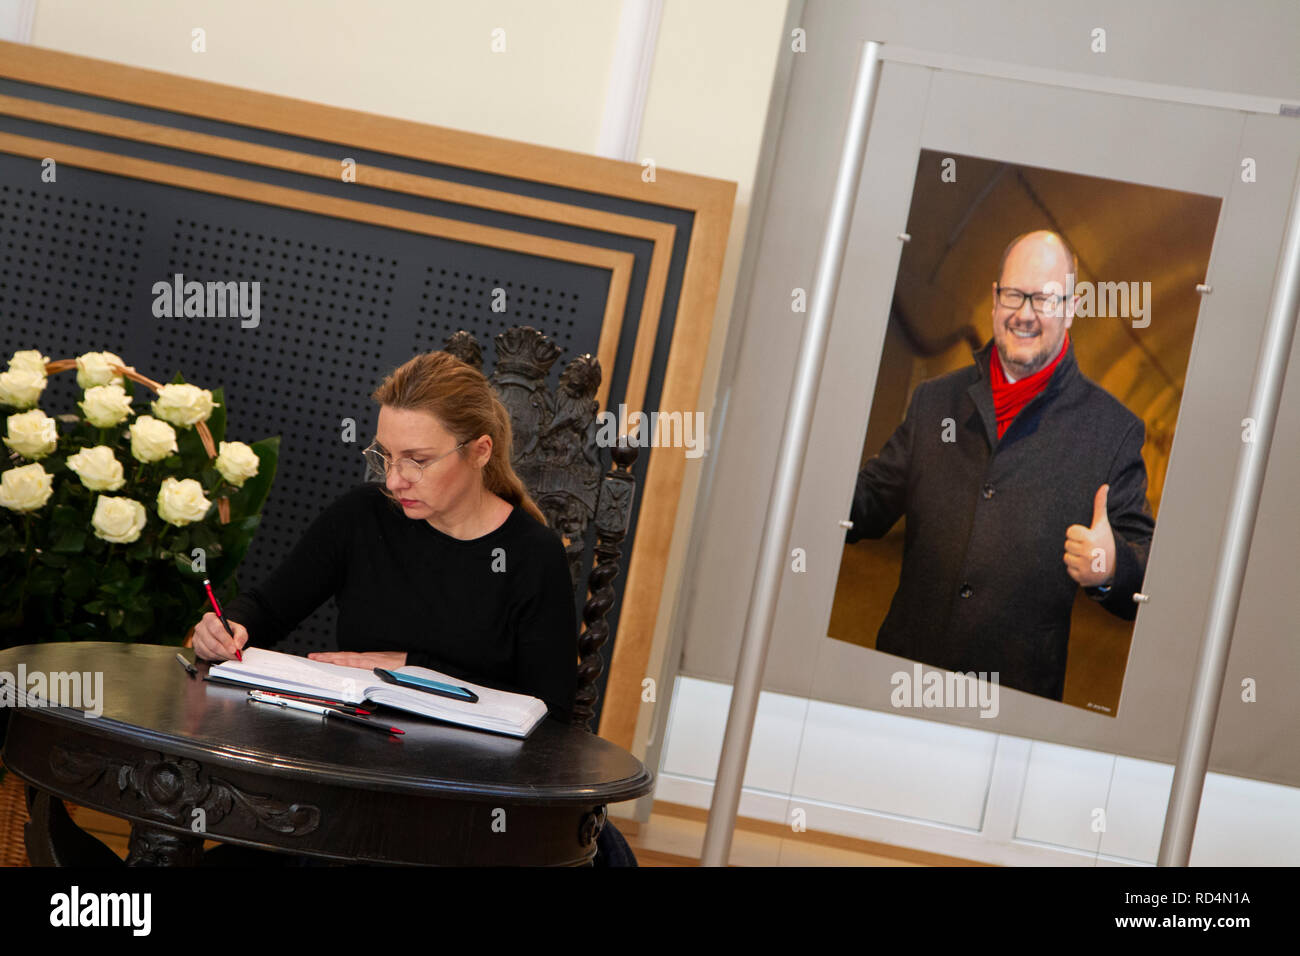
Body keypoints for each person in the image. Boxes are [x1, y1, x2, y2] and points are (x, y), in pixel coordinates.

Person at [194, 350, 632, 864]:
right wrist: (228, 627)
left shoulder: (531, 556)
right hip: (351, 778)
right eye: (385, 456)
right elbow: (269, 606)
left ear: (480, 450)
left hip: (462, 800)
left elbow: (551, 718)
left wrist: (412, 672)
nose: (395, 479)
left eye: (417, 461)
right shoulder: (361, 518)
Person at [846, 230, 1154, 701]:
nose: (1025, 313)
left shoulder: (1112, 433)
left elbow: (1147, 569)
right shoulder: (935, 401)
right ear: (994, 299)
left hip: (1014, 703)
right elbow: (867, 504)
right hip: (903, 683)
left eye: (1045, 299)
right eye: (1014, 294)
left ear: (1071, 309)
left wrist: (1110, 566)